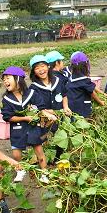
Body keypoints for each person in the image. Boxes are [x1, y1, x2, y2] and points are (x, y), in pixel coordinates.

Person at [0, 66, 35, 183]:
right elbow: (7, 117)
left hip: (32, 127)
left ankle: (37, 167)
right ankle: (20, 170)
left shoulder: (30, 93)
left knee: (35, 146)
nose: (5, 81)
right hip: (17, 128)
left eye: (8, 78)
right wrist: (24, 118)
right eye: (4, 79)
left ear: (18, 79)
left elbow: (39, 107)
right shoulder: (6, 99)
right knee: (16, 151)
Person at [28, 55, 60, 183]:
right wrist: (50, 112)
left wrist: (65, 107)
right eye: (37, 68)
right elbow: (34, 108)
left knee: (59, 138)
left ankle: (56, 160)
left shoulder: (57, 81)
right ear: (33, 72)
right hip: (45, 120)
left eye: (42, 66)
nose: (41, 70)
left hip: (60, 116)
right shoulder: (33, 88)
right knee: (45, 139)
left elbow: (64, 95)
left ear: (48, 66)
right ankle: (46, 165)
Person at [63, 52, 105, 118]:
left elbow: (91, 86)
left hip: (71, 105)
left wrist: (102, 93)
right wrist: (100, 102)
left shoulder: (72, 77)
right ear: (84, 66)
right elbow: (92, 92)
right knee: (84, 120)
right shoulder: (83, 79)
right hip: (81, 108)